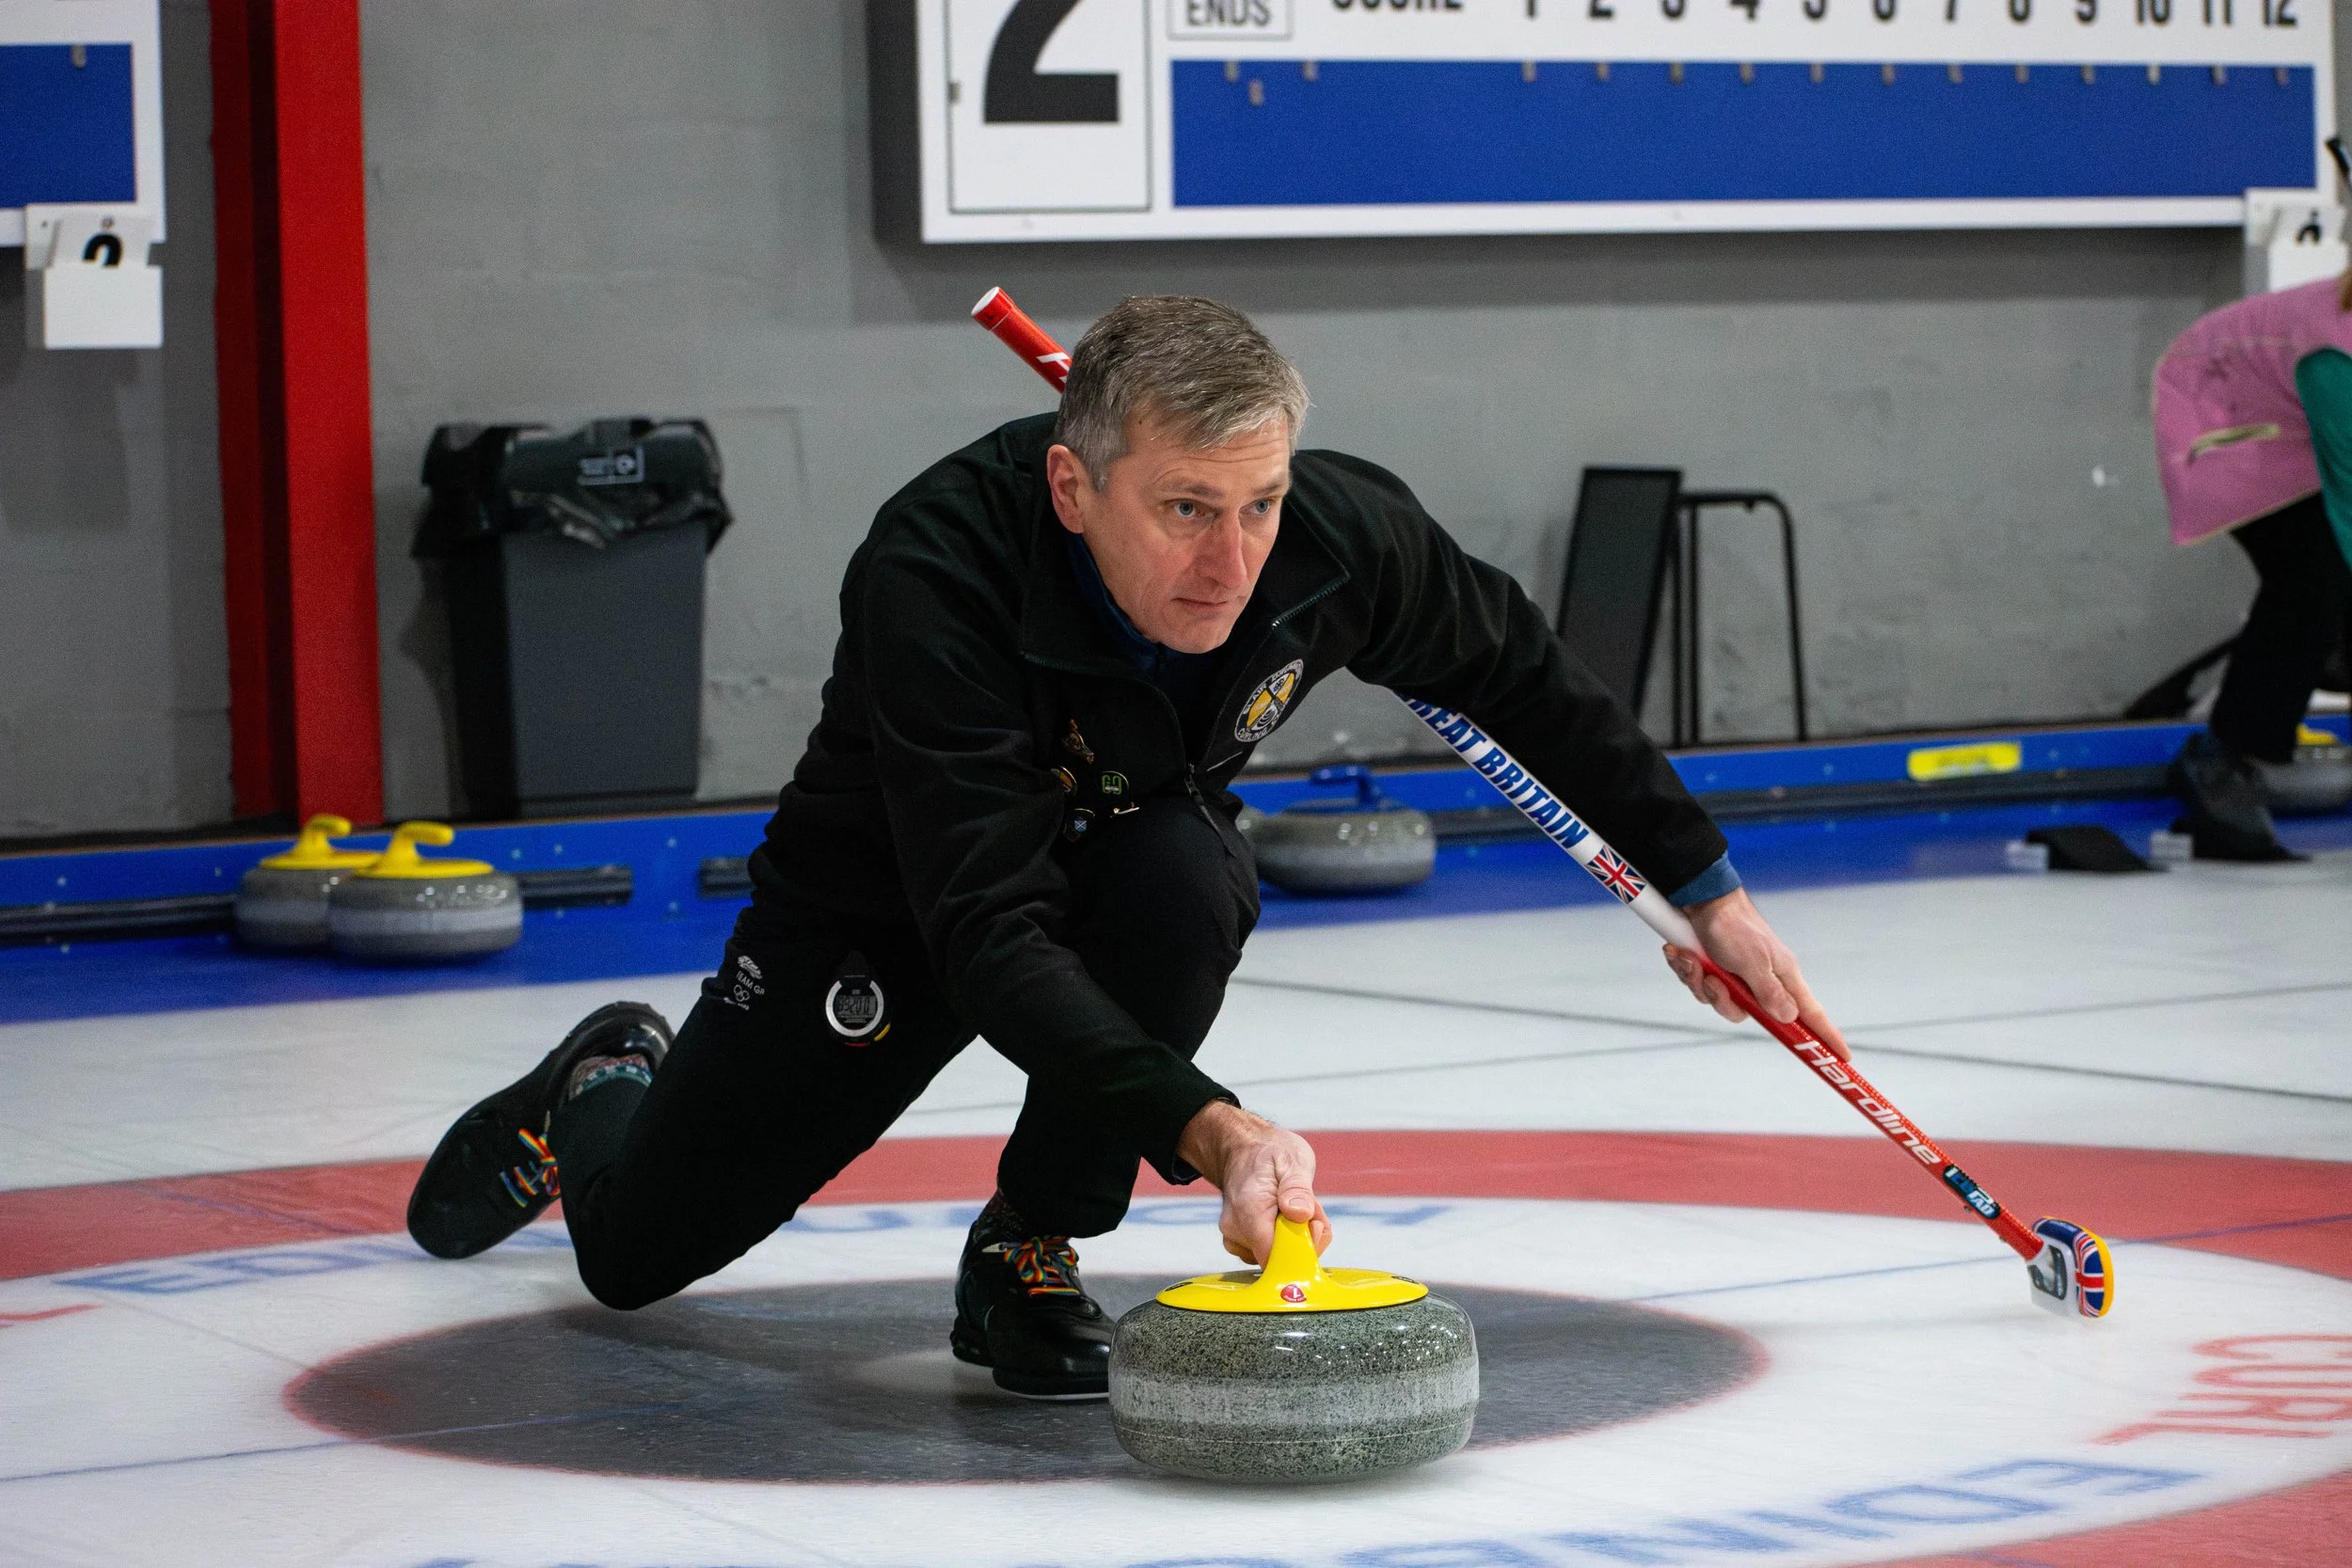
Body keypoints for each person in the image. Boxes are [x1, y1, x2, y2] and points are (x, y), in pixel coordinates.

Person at [406, 296, 1847, 1400]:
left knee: (1184, 877)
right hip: (891, 905)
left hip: (1123, 858)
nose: (1233, 564)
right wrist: (1213, 1126)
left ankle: (1030, 1244)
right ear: (1071, 485)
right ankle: (602, 1077)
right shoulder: (935, 571)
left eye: (1259, 504)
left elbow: (1524, 675)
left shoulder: (1335, 540)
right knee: (637, 1257)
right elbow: (989, 932)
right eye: (1185, 511)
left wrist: (1709, 892)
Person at [2153, 271, 2352, 861]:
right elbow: (2348, 490)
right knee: (2313, 576)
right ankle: (2225, 763)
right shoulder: (2335, 351)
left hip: (2292, 415)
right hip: (2222, 416)